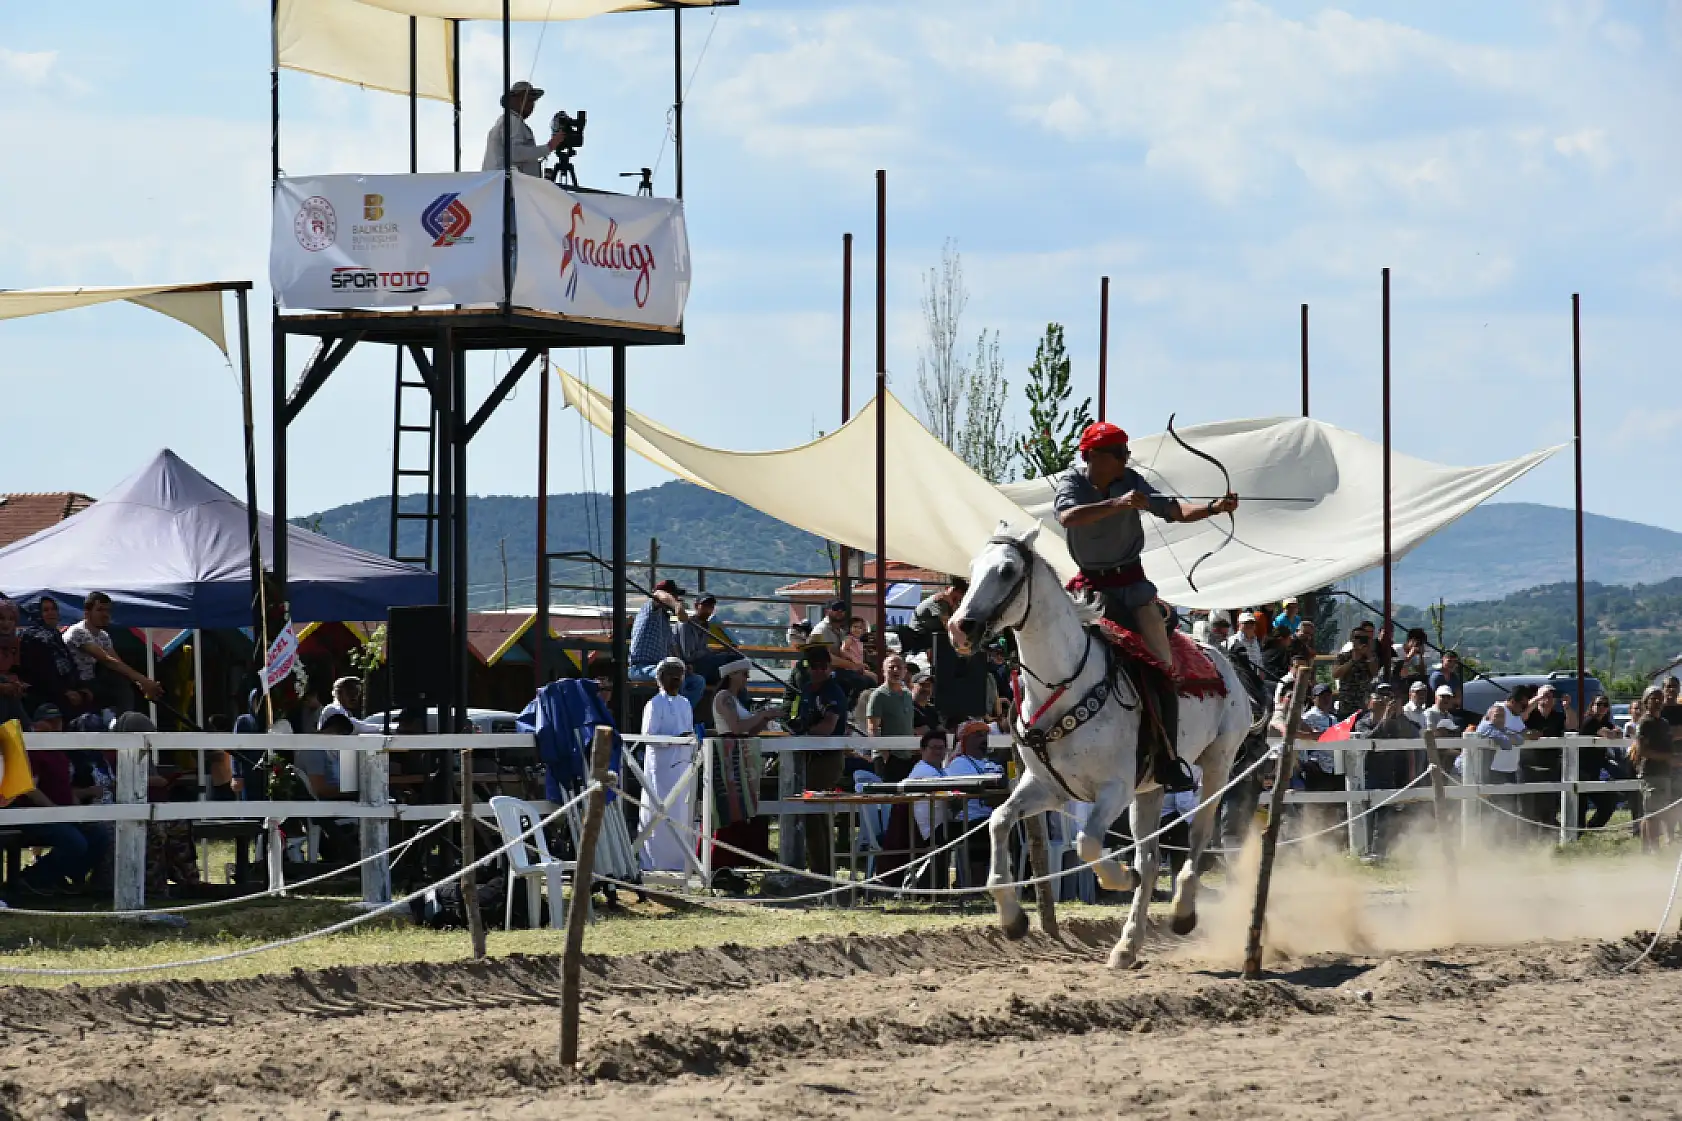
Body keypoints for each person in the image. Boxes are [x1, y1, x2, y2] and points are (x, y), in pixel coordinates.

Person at [1052, 421, 1237, 792]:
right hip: (1090, 590)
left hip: (1132, 587)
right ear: (1095, 457)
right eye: (1119, 453)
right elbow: (1068, 516)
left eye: (1125, 453)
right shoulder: (1073, 483)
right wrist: (1118, 503)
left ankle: (1168, 759)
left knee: (1163, 667)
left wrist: (1214, 508)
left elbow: (1173, 510)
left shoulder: (1130, 480)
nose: (1126, 458)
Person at [786, 645, 850, 878]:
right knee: (815, 814)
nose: (819, 671)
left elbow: (828, 726)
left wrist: (806, 731)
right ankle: (821, 870)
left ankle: (822, 871)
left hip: (827, 757)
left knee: (814, 811)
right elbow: (797, 717)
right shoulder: (807, 690)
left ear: (829, 667)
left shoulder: (833, 691)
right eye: (814, 667)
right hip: (809, 756)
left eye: (823, 666)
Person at [637, 657, 697, 873]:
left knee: (681, 811)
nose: (675, 680)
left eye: (678, 675)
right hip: (660, 767)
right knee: (658, 811)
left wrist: (687, 741)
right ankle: (655, 862)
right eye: (670, 675)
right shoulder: (654, 704)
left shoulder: (685, 703)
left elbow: (688, 730)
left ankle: (682, 862)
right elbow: (649, 737)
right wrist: (673, 739)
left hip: (681, 765)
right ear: (660, 678)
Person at [62, 592, 163, 715]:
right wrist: (144, 680)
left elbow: (118, 662)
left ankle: (122, 721)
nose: (105, 615)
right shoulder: (78, 632)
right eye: (100, 610)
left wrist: (140, 683)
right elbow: (107, 660)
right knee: (116, 683)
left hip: (91, 683)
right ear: (87, 613)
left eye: (108, 611)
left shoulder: (103, 636)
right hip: (72, 683)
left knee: (122, 682)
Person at [1353, 683, 1416, 859]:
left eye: (1386, 698)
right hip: (1368, 774)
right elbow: (1369, 740)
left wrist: (1398, 715)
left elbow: (1409, 735)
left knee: (1385, 817)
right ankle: (1366, 850)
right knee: (1369, 814)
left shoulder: (1395, 722)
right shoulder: (1362, 723)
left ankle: (1379, 852)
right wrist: (1385, 720)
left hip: (1389, 773)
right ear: (1369, 703)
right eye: (1378, 698)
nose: (1382, 701)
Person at [942, 720, 1002, 887]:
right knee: (986, 830)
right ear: (965, 740)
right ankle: (977, 885)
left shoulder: (990, 762)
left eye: (985, 735)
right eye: (978, 735)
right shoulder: (959, 764)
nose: (984, 739)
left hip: (991, 814)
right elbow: (982, 794)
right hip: (968, 819)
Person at [628, 579, 704, 710]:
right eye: (674, 595)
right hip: (641, 668)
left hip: (660, 667)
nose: (676, 598)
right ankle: (673, 712)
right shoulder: (650, 609)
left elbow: (672, 650)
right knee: (673, 674)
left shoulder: (665, 621)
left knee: (698, 681)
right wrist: (677, 606)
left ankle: (682, 712)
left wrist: (683, 665)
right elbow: (658, 594)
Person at [17, 598, 90, 716]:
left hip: (65, 690)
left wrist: (80, 687)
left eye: (54, 609)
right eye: (46, 610)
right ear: (37, 614)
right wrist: (64, 692)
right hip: (45, 695)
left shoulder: (55, 636)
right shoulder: (32, 637)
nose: (51, 613)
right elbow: (40, 673)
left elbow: (69, 664)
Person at [482, 80, 566, 177]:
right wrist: (549, 146)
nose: (531, 104)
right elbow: (515, 153)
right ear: (512, 100)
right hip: (508, 187)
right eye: (526, 98)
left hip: (506, 186)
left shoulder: (511, 121)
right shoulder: (512, 120)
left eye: (533, 100)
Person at [1631, 687, 1674, 851]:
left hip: (1664, 772)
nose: (1657, 701)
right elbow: (1643, 751)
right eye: (1653, 698)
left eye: (1659, 698)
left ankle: (1646, 849)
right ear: (1646, 701)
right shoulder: (1645, 722)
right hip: (1651, 772)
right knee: (1652, 813)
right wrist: (1666, 757)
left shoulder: (1663, 723)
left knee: (1654, 812)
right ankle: (1654, 849)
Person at [1576, 695, 1621, 831]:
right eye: (1599, 704)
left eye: (1605, 705)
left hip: (1594, 771)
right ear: (1593, 705)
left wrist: (1615, 732)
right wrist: (1614, 732)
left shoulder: (1606, 723)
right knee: (1580, 807)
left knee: (1608, 803)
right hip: (1581, 770)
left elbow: (1618, 733)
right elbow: (1610, 734)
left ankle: (1591, 829)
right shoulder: (1589, 721)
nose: (1602, 707)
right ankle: (1577, 835)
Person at [673, 594, 738, 686]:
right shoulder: (687, 625)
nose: (708, 610)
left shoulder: (705, 626)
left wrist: (723, 650)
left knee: (736, 662)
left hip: (701, 663)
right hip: (690, 666)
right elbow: (689, 656)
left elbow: (702, 649)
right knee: (734, 660)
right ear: (696, 606)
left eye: (711, 607)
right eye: (705, 606)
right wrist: (715, 652)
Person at [712, 658, 784, 737]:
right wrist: (761, 715)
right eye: (745, 674)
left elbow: (750, 732)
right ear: (732, 674)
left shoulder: (734, 699)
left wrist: (765, 718)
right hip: (730, 746)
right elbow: (736, 729)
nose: (748, 677)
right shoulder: (724, 696)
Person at [1331, 621, 1380, 717]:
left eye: (1364, 638)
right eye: (1357, 637)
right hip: (1346, 704)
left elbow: (1374, 673)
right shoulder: (1343, 657)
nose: (1360, 640)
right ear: (1352, 639)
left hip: (1363, 704)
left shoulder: (1371, 657)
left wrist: (1368, 656)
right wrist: (1352, 661)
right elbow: (1335, 674)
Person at [866, 654, 915, 738]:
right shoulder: (879, 695)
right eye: (891, 667)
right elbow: (873, 729)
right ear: (883, 672)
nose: (896, 670)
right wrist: (883, 750)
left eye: (899, 667)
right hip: (887, 749)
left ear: (905, 671)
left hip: (907, 749)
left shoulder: (908, 694)